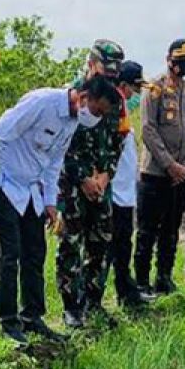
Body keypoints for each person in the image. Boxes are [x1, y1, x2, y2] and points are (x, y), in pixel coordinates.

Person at [0, 75, 121, 345]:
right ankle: (8, 321)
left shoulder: (72, 121)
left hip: (33, 191)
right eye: (97, 111)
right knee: (9, 255)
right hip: (6, 186)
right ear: (83, 98)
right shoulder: (41, 102)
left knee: (35, 253)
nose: (97, 117)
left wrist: (50, 202)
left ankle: (32, 317)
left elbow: (53, 162)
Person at [57, 39, 129, 328]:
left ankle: (93, 301)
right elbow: (58, 145)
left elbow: (118, 141)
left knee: (101, 244)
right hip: (73, 184)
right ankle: (71, 307)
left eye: (114, 73)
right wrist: (83, 178)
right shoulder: (70, 95)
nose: (110, 77)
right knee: (72, 245)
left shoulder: (117, 101)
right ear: (91, 64)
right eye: (106, 70)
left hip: (102, 184)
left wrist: (105, 175)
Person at [136, 39, 185, 295]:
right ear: (169, 59)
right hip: (154, 172)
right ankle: (141, 282)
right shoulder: (154, 88)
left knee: (171, 232)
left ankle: (164, 277)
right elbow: (148, 130)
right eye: (179, 60)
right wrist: (169, 164)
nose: (183, 66)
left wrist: (184, 166)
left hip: (179, 176)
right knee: (147, 232)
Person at [107, 61, 151, 310]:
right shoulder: (110, 109)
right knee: (108, 249)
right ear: (122, 85)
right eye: (135, 88)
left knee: (124, 246)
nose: (137, 94)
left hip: (125, 191)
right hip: (112, 191)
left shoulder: (122, 109)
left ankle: (127, 292)